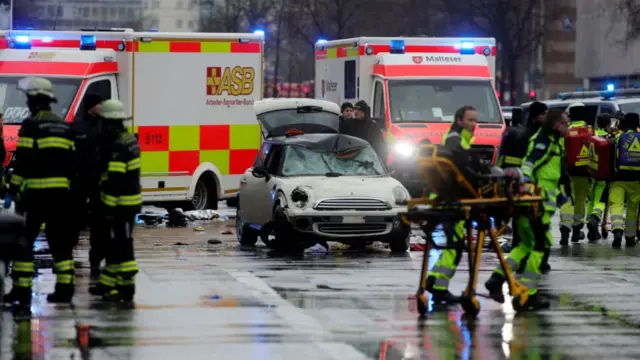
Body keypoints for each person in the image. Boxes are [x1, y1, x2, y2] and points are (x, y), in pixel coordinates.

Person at [485, 109, 569, 310]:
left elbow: (545, 173)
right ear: (557, 125)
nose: (568, 128)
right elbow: (529, 165)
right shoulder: (545, 143)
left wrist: (558, 194)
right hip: (534, 206)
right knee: (540, 246)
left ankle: (496, 279)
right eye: (566, 124)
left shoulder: (551, 142)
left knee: (523, 246)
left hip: (534, 204)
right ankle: (529, 292)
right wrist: (528, 189)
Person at [4, 77, 77, 305]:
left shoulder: (31, 126)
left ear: (33, 101)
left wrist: (12, 189)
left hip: (35, 197)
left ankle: (22, 291)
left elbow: (23, 162)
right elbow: (74, 163)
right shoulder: (64, 126)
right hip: (61, 198)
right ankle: (65, 291)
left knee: (25, 242)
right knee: (61, 244)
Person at [426, 105, 490, 305]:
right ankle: (439, 288)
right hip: (453, 200)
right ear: (460, 120)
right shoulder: (456, 141)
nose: (474, 124)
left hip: (451, 199)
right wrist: (482, 177)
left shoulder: (457, 139)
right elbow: (461, 170)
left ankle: (433, 281)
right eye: (470, 120)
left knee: (454, 246)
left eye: (475, 120)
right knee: (455, 247)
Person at [89, 99, 142, 302]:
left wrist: (107, 208)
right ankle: (109, 285)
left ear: (110, 122)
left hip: (121, 206)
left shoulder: (119, 146)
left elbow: (115, 180)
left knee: (122, 245)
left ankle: (126, 287)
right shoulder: (128, 139)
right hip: (126, 204)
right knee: (113, 245)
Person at [496, 101, 552, 272]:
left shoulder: (521, 134)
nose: (546, 118)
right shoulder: (534, 137)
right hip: (527, 187)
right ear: (535, 117)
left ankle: (527, 261)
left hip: (525, 186)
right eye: (543, 115)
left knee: (526, 225)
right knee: (530, 225)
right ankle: (536, 262)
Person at [71, 93, 106, 277]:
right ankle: (67, 256)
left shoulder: (103, 125)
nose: (101, 106)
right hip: (79, 182)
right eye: (98, 103)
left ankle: (95, 260)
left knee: (99, 224)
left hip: (97, 184)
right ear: (91, 106)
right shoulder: (77, 126)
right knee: (74, 221)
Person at [558, 103, 591, 245]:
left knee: (567, 200)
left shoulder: (566, 131)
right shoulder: (589, 131)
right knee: (580, 201)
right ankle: (577, 230)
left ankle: (565, 229)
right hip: (584, 172)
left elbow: (560, 150)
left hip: (568, 172)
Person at [608, 112, 640, 248]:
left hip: (619, 177)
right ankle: (630, 237)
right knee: (633, 207)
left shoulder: (619, 136)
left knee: (616, 204)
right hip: (637, 179)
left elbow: (613, 157)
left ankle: (617, 230)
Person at [586, 113, 613, 242]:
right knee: (600, 201)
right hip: (604, 175)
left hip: (592, 174)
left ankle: (591, 228)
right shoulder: (609, 137)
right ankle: (595, 219)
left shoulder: (593, 135)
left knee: (591, 201)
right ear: (608, 124)